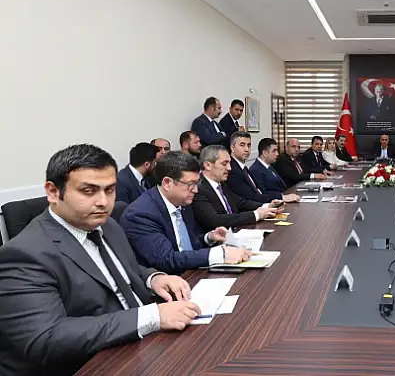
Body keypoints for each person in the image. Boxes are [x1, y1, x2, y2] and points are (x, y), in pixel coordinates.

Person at [0, 144, 201, 376]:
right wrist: (152, 317)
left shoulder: (108, 225)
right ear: (53, 192)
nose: (103, 202)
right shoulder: (23, 255)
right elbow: (47, 337)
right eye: (89, 191)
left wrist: (153, 278)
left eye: (110, 190)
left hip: (140, 345)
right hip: (89, 364)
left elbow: (120, 268)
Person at [121, 151, 252, 275]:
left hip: (193, 273)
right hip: (169, 282)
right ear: (167, 183)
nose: (195, 190)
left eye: (197, 183)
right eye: (190, 184)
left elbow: (185, 245)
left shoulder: (182, 202)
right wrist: (220, 254)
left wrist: (208, 238)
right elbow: (166, 259)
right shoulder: (141, 214)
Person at [191, 145, 280, 234]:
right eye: (224, 164)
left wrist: (267, 206)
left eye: (229, 163)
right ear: (207, 165)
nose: (229, 168)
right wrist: (256, 215)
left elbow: (240, 203)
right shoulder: (198, 189)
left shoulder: (221, 184)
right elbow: (215, 220)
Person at [227, 131, 300, 203]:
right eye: (242, 145)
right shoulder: (232, 170)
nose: (247, 149)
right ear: (232, 148)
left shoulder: (244, 168)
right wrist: (280, 198)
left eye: (249, 145)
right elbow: (250, 197)